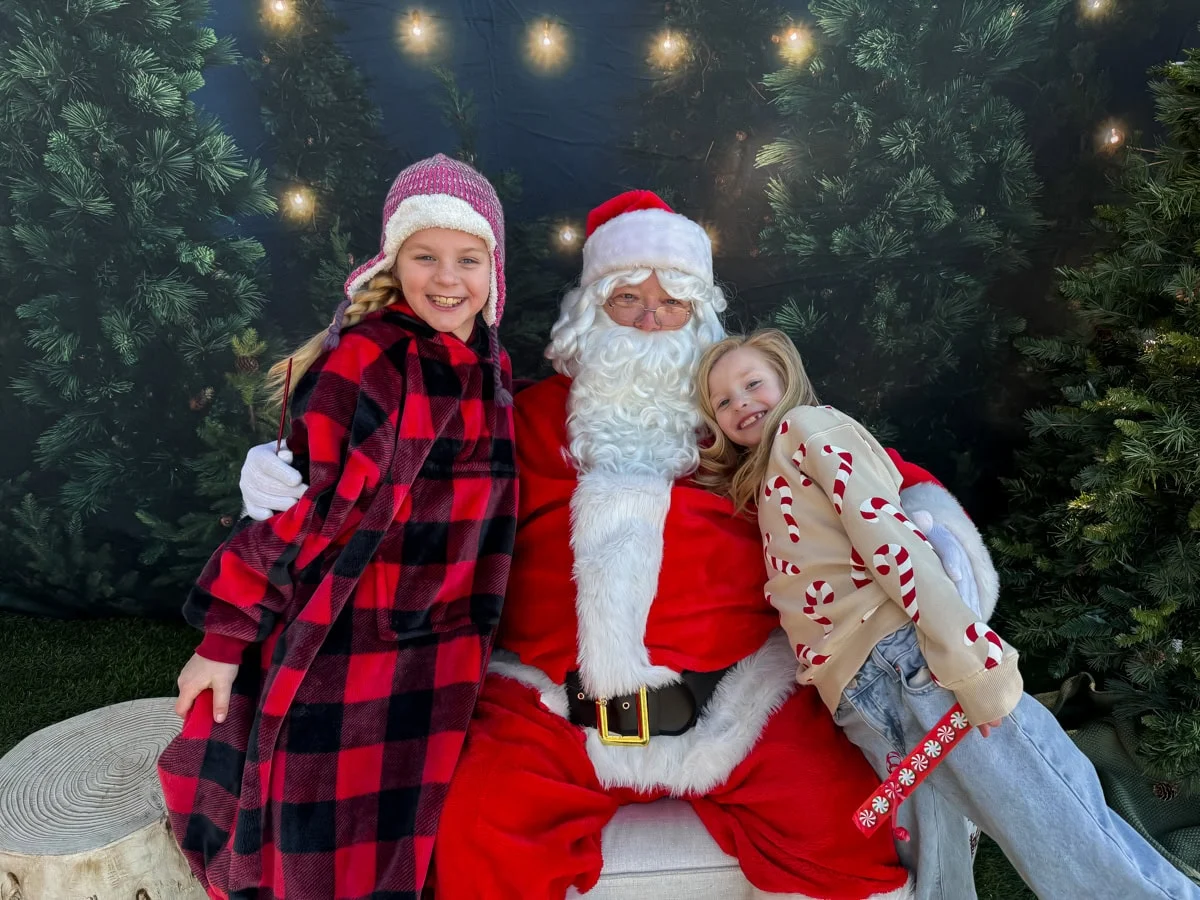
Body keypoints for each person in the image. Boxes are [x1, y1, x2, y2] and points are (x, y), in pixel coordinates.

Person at [239, 191, 995, 899]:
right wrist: (298, 483)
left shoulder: (745, 415)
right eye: (626, 298)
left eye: (671, 300)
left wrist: (940, 547)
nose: (648, 319)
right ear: (591, 311)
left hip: (743, 703)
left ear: (701, 312)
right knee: (472, 836)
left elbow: (878, 474)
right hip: (554, 711)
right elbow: (409, 477)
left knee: (862, 837)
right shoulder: (524, 416)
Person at [696, 328, 1200, 900]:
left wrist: (973, 665)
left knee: (1064, 834)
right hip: (867, 691)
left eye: (752, 383)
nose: (741, 403)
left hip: (912, 664)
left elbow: (890, 540)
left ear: (786, 381)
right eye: (722, 399)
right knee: (941, 867)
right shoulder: (767, 480)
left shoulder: (807, 428)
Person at [157, 154, 519, 900]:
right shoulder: (369, 361)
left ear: (495, 270)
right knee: (314, 817)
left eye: (468, 259)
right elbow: (298, 510)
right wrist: (225, 640)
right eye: (426, 256)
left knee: (406, 819)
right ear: (393, 262)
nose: (447, 279)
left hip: (445, 641)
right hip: (349, 635)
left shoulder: (490, 365)